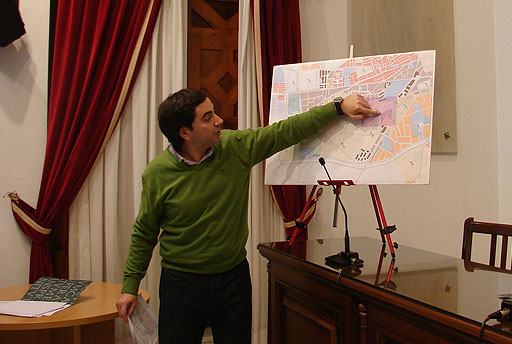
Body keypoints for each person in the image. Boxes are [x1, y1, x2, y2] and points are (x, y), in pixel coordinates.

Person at [116, 88, 379, 343]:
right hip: (181, 284)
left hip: (233, 279)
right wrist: (130, 287)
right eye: (207, 117)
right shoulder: (158, 173)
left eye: (214, 112)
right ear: (185, 132)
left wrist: (337, 108)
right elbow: (145, 233)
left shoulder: (234, 146)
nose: (219, 120)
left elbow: (285, 131)